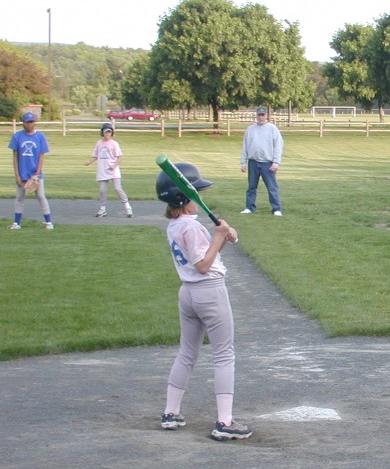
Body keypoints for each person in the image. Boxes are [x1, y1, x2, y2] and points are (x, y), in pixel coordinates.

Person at [156, 162, 253, 441]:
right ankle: (224, 422)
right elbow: (203, 265)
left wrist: (221, 239)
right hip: (209, 291)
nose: (199, 198)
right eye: (194, 194)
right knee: (224, 353)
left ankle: (171, 413)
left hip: (188, 294)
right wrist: (219, 235)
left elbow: (204, 255)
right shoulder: (193, 227)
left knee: (187, 353)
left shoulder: (175, 225)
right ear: (181, 200)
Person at [7, 111, 53, 230]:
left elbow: (41, 156)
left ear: (35, 123)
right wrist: (17, 175)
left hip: (36, 173)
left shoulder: (40, 136)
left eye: (31, 122)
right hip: (22, 172)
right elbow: (15, 157)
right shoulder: (17, 136)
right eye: (27, 122)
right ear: (23, 123)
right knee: (20, 197)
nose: (29, 124)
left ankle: (49, 222)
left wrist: (37, 174)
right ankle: (17, 223)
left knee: (41, 196)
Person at [240, 107, 284, 216]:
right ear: (256, 115)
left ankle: (276, 208)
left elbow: (278, 146)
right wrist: (243, 163)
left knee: (272, 187)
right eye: (259, 115)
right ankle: (250, 207)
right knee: (251, 187)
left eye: (263, 115)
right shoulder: (250, 129)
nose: (261, 117)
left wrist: (276, 162)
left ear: (266, 116)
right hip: (253, 162)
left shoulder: (272, 129)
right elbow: (245, 146)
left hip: (267, 163)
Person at [84, 122, 133, 218]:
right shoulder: (99, 143)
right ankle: (102, 209)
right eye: (106, 132)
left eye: (109, 132)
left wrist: (114, 166)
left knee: (118, 189)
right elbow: (95, 155)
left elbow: (120, 156)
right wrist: (89, 162)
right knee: (102, 190)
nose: (107, 134)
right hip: (103, 170)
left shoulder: (114, 144)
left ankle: (128, 207)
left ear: (112, 133)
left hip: (113, 170)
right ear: (102, 133)